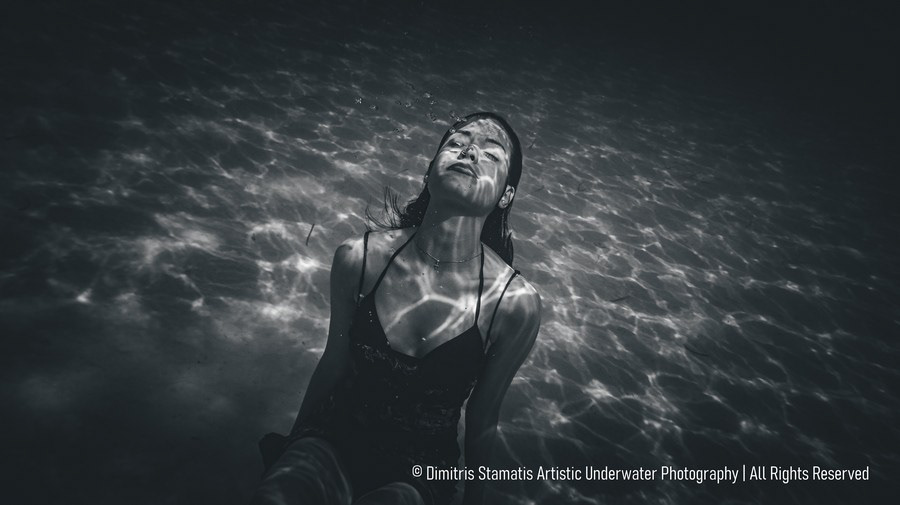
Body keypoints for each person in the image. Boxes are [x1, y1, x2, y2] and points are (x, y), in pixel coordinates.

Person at [252, 112, 542, 505]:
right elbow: (334, 363)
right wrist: (290, 449)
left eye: (491, 154)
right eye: (457, 143)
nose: (470, 152)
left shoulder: (513, 304)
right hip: (330, 437)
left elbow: (483, 417)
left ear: (506, 195)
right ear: (429, 171)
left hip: (421, 468)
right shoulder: (360, 258)